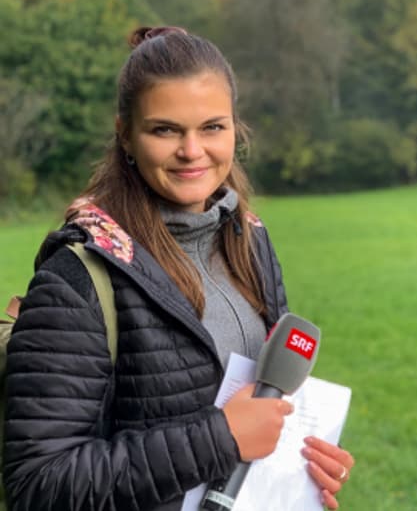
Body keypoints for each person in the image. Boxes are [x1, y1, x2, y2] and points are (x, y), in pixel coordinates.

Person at [3, 27, 354, 510]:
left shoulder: (250, 240)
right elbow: (39, 485)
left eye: (212, 127)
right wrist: (220, 439)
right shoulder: (78, 278)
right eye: (165, 129)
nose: (192, 151)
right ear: (125, 133)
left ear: (235, 127)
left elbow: (265, 403)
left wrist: (304, 464)